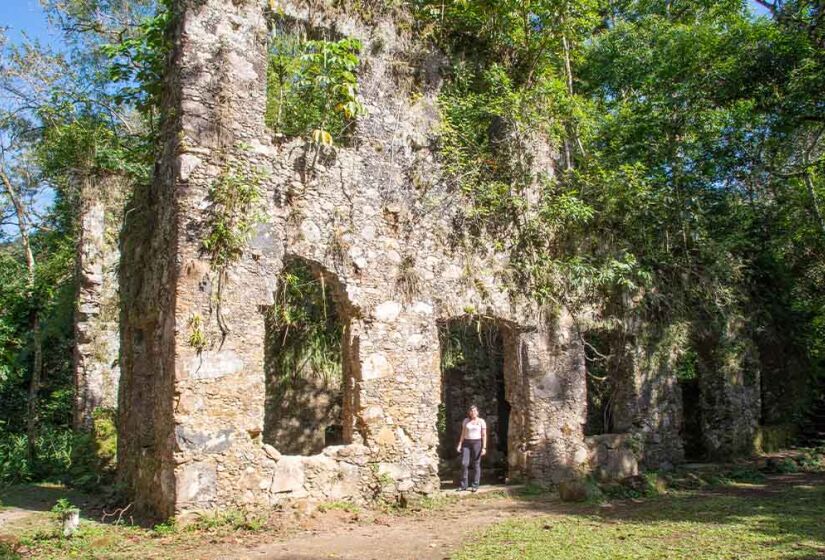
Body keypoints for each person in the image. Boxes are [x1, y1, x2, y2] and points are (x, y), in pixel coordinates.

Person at [456, 404, 487, 492]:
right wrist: (460, 444)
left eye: (474, 411)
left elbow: (484, 435)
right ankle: (463, 485)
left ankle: (475, 485)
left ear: (477, 412)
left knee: (476, 464)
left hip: (477, 443)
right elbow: (463, 433)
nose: (473, 413)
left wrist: (484, 447)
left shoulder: (481, 421)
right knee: (464, 463)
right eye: (471, 411)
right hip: (466, 443)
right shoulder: (466, 421)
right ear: (469, 412)